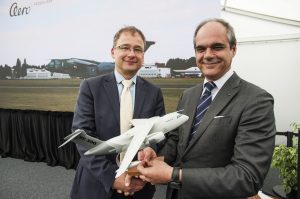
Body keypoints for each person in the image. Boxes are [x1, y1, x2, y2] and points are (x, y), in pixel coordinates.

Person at [136, 18, 276, 199]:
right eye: (201, 49)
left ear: (233, 49)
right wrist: (157, 156)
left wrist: (174, 175)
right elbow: (177, 141)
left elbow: (247, 177)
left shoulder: (256, 100)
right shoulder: (188, 95)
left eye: (217, 47)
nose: (208, 54)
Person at [70, 26, 165, 199]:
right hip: (96, 186)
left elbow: (157, 135)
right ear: (113, 52)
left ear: (143, 56)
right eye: (125, 47)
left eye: (138, 49)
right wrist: (113, 176)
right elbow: (82, 138)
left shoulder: (154, 93)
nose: (131, 54)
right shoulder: (91, 87)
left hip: (139, 186)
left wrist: (151, 148)